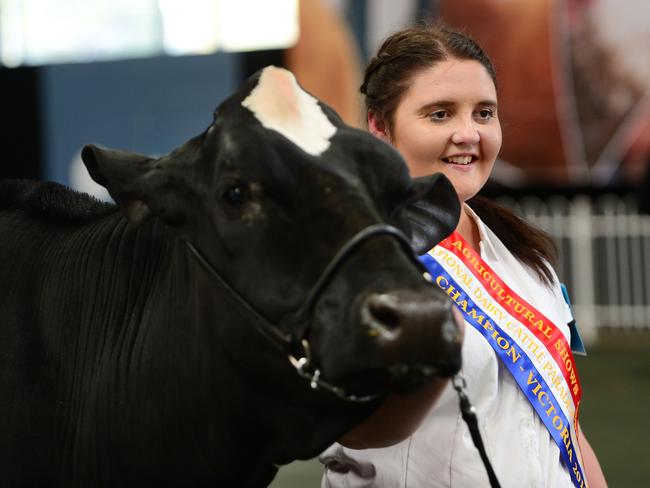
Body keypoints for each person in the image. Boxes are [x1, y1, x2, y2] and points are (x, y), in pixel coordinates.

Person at [319, 24, 607, 487]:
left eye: (484, 113)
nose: (468, 133)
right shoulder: (347, 258)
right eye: (439, 114)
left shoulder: (527, 260)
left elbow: (566, 430)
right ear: (378, 125)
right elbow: (346, 428)